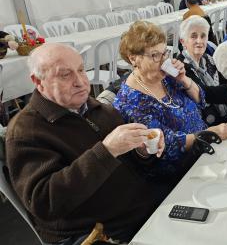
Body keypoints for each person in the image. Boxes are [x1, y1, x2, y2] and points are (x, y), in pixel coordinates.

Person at [5, 43, 166, 244]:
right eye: (65, 75)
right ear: (38, 82)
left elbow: (133, 166)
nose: (80, 81)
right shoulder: (26, 131)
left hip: (137, 208)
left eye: (81, 70)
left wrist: (143, 152)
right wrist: (107, 150)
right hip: (93, 231)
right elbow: (44, 202)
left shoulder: (99, 110)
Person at [113, 21, 227, 184]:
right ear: (133, 58)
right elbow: (167, 145)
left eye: (165, 53)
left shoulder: (166, 77)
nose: (163, 61)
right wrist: (209, 134)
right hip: (181, 174)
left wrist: (183, 79)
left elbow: (201, 99)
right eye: (155, 55)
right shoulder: (130, 101)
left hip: (206, 152)